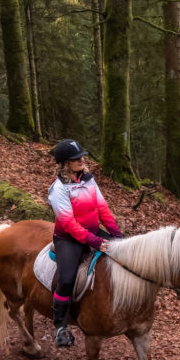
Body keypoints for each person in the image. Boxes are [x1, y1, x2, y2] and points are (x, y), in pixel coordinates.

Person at [47, 139, 124, 347]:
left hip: (92, 232)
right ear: (64, 163)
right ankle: (61, 327)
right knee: (67, 279)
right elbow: (70, 225)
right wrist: (96, 241)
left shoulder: (88, 180)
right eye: (76, 158)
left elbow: (103, 209)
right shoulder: (58, 189)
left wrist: (117, 235)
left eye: (82, 156)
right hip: (68, 240)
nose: (82, 159)